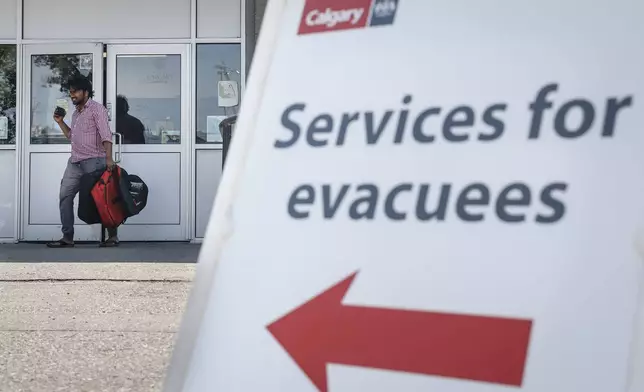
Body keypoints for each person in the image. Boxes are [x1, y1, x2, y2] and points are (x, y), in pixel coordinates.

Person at [46, 75, 119, 248]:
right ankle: (67, 237)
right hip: (75, 162)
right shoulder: (76, 113)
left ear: (86, 92)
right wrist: (60, 122)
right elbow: (72, 136)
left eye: (75, 91)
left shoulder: (97, 109)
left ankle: (113, 236)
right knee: (65, 196)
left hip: (94, 162)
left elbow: (106, 136)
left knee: (102, 198)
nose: (72, 95)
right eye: (70, 92)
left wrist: (109, 158)